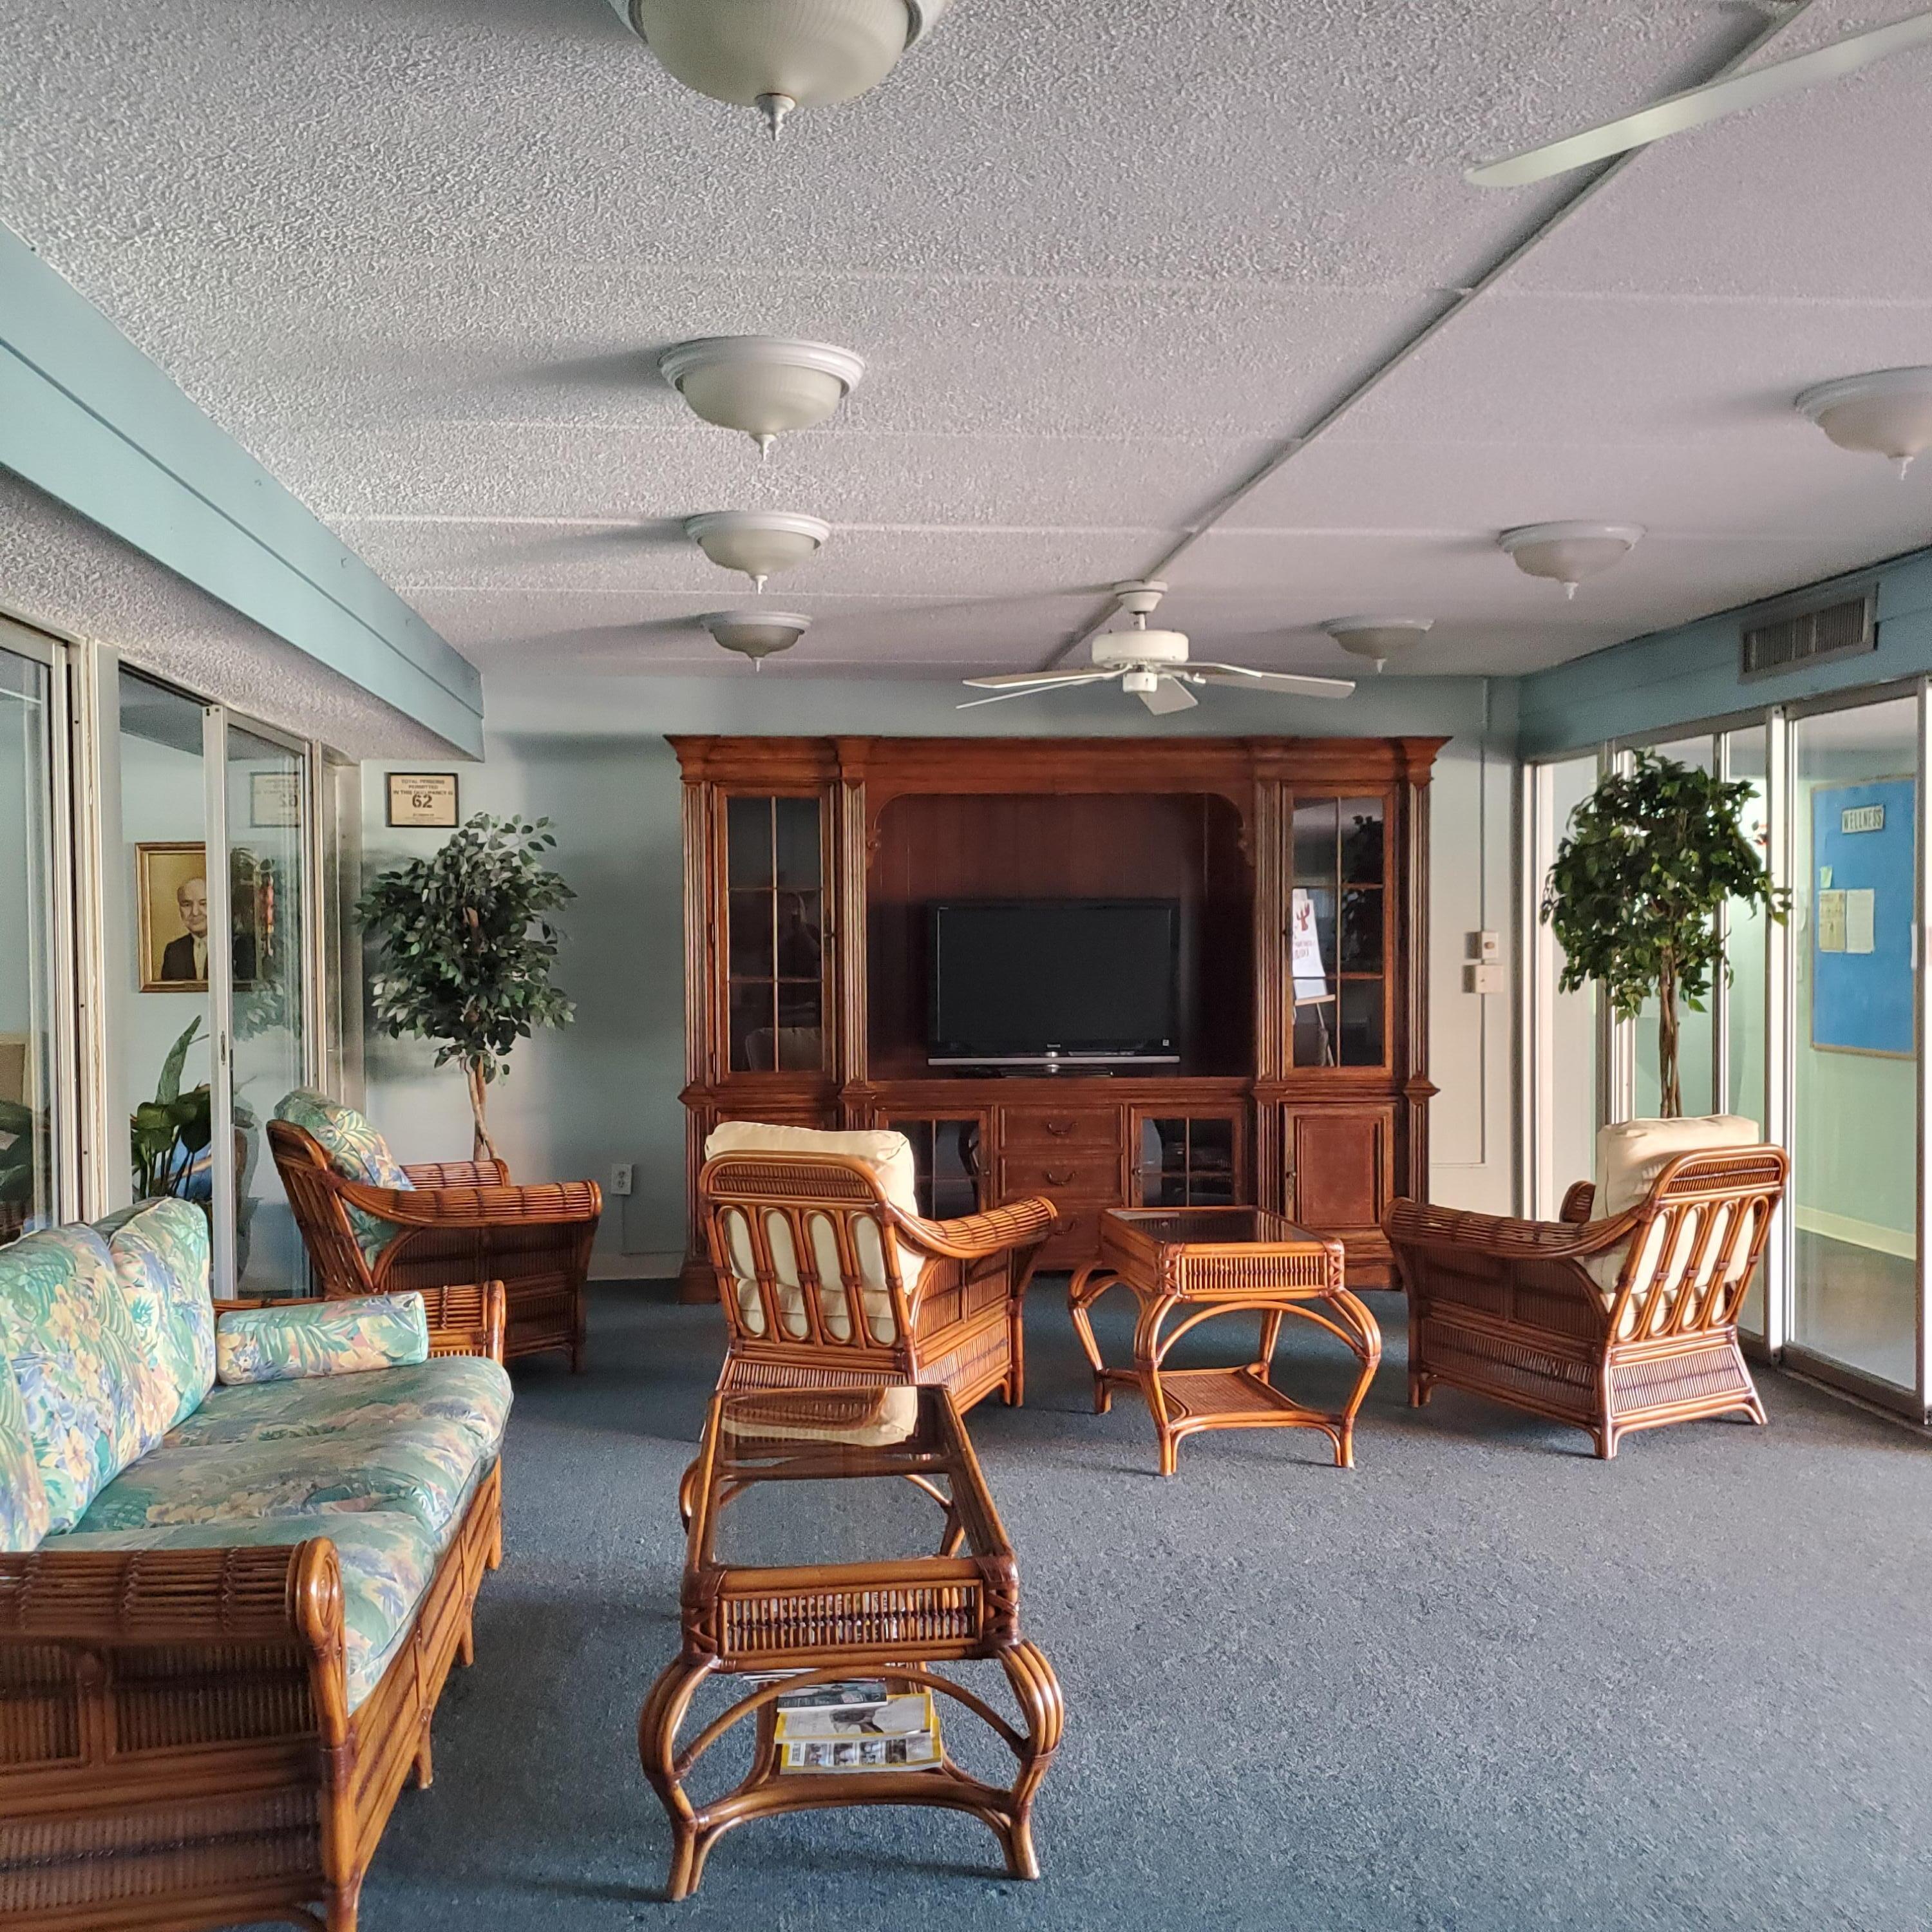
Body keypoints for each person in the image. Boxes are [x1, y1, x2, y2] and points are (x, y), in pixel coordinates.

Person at [158, 875, 256, 985]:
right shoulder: (173, 951)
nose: (195, 912)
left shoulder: (238, 946)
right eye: (187, 905)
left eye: (203, 904)